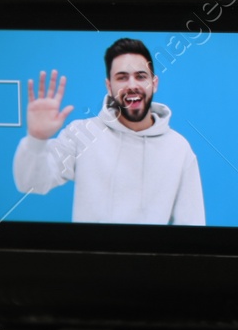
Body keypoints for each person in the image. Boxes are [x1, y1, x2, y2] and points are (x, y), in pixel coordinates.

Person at [12, 37, 205, 226]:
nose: (132, 85)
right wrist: (36, 140)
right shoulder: (81, 134)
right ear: (109, 86)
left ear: (154, 83)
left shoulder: (179, 149)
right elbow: (31, 183)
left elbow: (191, 225)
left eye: (140, 76)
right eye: (122, 77)